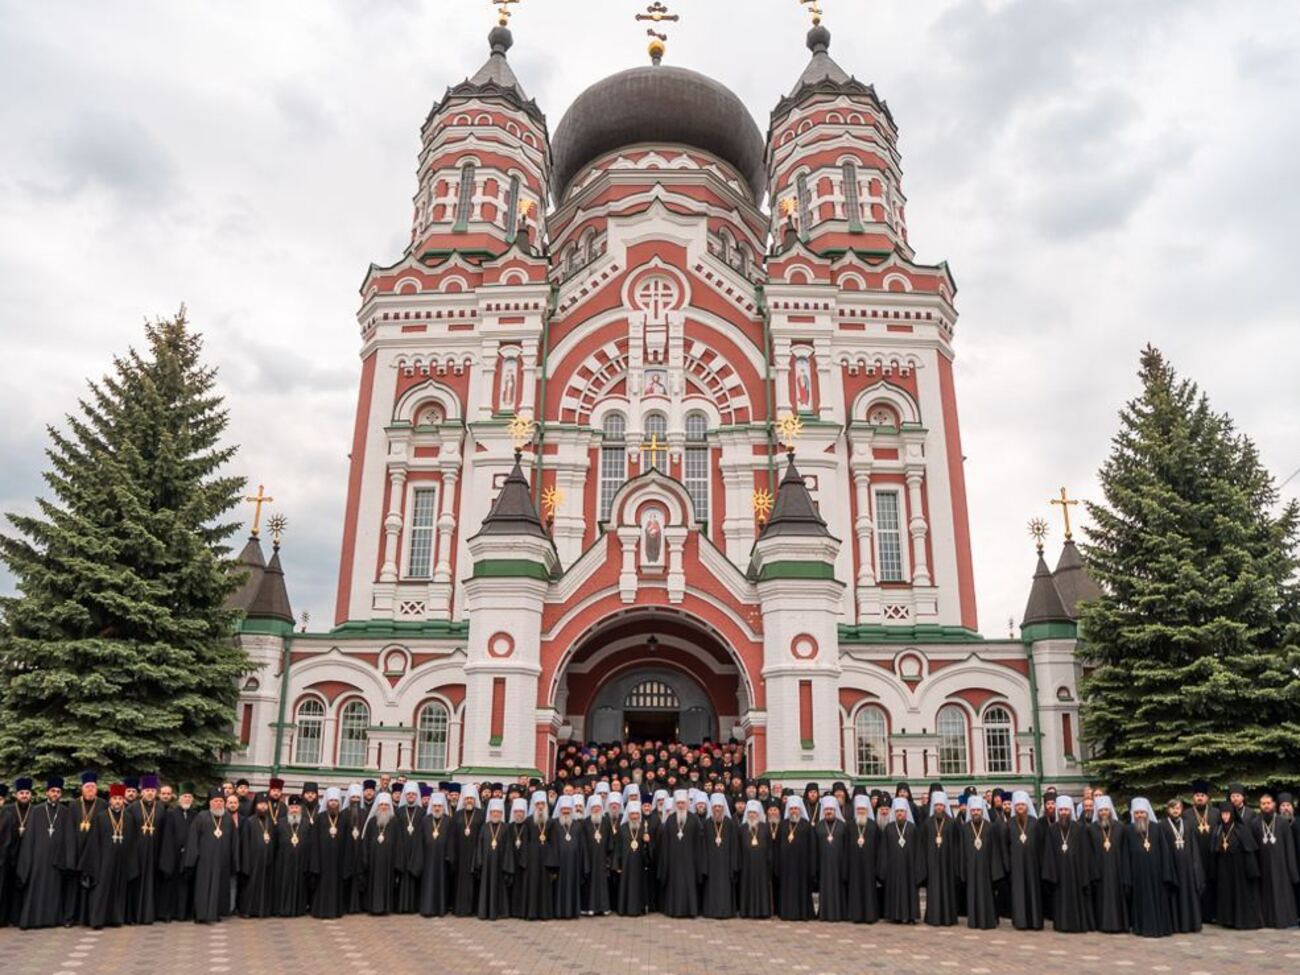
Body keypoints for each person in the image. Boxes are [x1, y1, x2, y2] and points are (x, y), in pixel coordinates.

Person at [77, 783, 138, 930]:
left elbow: (132, 842)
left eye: (120, 798)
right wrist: (94, 864)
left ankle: (116, 918)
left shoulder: (129, 818)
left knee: (118, 889)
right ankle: (97, 920)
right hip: (104, 861)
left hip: (122, 860)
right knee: (101, 890)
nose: (117, 801)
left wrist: (132, 862)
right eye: (115, 798)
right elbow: (93, 842)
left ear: (123, 800)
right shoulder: (101, 817)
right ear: (110, 800)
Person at [17, 776, 73, 930]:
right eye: (52, 791)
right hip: (38, 859)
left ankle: (52, 920)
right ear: (47, 793)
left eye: (58, 791)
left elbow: (69, 837)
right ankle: (33, 920)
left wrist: (67, 859)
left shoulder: (65, 812)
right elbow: (29, 837)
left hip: (56, 859)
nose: (55, 794)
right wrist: (28, 860)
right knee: (36, 889)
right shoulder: (37, 810)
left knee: (54, 890)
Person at [185, 789, 238, 924]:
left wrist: (234, 861)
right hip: (204, 862)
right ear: (210, 803)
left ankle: (215, 914)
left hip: (222, 861)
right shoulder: (202, 817)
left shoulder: (227, 818)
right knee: (203, 887)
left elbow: (234, 841)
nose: (219, 804)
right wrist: (192, 861)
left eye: (221, 801)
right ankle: (201, 915)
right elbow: (193, 839)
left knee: (219, 888)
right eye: (216, 801)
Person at [1040, 794, 1092, 932]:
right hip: (1059, 872)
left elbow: (1084, 853)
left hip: (1076, 872)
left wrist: (1084, 873)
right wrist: (1051, 873)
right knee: (1060, 898)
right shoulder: (1052, 829)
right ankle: (1061, 924)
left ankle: (1077, 924)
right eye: (1061, 810)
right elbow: (1049, 852)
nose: (1063, 813)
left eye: (1066, 810)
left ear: (1071, 811)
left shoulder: (1079, 828)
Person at [1124, 797, 1174, 937]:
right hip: (1137, 874)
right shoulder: (1128, 830)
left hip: (1156, 874)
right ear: (1133, 814)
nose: (1140, 815)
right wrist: (1127, 878)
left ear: (1147, 813)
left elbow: (1165, 851)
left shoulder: (1156, 827)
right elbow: (1125, 855)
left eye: (1142, 812)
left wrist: (1166, 874)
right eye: (1137, 813)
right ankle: (1142, 928)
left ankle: (1160, 928)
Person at [1249, 790, 1298, 928]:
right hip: (1263, 866)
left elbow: (1289, 847)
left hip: (1281, 866)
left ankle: (1283, 920)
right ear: (1260, 806)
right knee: (1266, 894)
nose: (1266, 806)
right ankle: (1268, 921)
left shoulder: (1282, 822)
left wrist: (1292, 871)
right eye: (1263, 804)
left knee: (1282, 892)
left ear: (1274, 804)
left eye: (1268, 803)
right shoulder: (1255, 823)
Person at [1210, 799, 1261, 929]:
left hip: (1239, 868)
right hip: (1224, 868)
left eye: (1227, 814)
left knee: (1239, 894)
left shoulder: (1241, 829)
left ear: (1232, 814)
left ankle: (1241, 920)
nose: (1225, 816)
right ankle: (1228, 920)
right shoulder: (1218, 830)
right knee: (1226, 894)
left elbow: (1249, 850)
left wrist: (1251, 870)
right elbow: (1215, 851)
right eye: (1223, 814)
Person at [957, 795, 1003, 929]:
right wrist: (963, 869)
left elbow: (995, 850)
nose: (976, 812)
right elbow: (962, 851)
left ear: (982, 811)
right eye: (973, 810)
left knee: (987, 894)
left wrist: (994, 870)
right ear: (970, 811)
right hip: (971, 868)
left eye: (978, 810)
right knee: (972, 894)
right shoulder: (965, 828)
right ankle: (974, 921)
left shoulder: (990, 827)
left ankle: (988, 920)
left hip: (986, 869)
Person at [125, 773, 164, 925]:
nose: (149, 793)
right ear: (141, 792)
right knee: (135, 883)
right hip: (136, 853)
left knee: (151, 884)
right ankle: (133, 916)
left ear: (156, 792)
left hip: (154, 853)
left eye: (152, 790)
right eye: (147, 790)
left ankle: (149, 915)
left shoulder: (160, 809)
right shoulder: (132, 808)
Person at [656, 790, 702, 918]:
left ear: (687, 804)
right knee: (674, 885)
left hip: (690, 861)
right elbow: (665, 844)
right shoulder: (670, 819)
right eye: (678, 803)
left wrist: (698, 862)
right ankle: (674, 910)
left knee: (689, 885)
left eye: (683, 803)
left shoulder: (694, 820)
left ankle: (690, 910)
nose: (681, 805)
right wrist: (665, 862)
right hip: (673, 861)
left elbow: (698, 843)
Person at [308, 787, 350, 920]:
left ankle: (335, 911)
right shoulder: (320, 818)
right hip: (322, 860)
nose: (333, 803)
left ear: (339, 803)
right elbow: (314, 842)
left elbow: (348, 841)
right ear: (327, 802)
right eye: (331, 800)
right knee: (322, 886)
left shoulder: (344, 818)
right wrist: (315, 862)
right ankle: (320, 910)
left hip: (338, 860)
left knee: (336, 886)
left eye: (335, 801)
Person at [1089, 795, 1129, 934]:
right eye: (1100, 810)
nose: (1103, 813)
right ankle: (1102, 924)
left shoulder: (1120, 827)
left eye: (1106, 810)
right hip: (1100, 871)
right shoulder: (1091, 829)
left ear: (1110, 810)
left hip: (1117, 870)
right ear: (1097, 812)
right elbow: (1090, 852)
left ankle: (1119, 924)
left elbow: (1125, 850)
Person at [1004, 789, 1043, 931]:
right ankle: (1020, 922)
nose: (1020, 808)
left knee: (1033, 892)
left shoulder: (1035, 823)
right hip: (1016, 865)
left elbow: (1040, 845)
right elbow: (1006, 844)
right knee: (1018, 892)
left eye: (1023, 805)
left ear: (1027, 806)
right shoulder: (1010, 823)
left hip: (1033, 865)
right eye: (1018, 805)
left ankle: (1035, 921)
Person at [879, 796, 922, 923]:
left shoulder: (913, 828)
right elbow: (884, 850)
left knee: (910, 891)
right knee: (894, 890)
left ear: (906, 813)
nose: (899, 814)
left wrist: (918, 869)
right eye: (897, 811)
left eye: (902, 811)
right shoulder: (889, 828)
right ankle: (895, 916)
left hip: (910, 868)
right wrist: (884, 869)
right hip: (893, 868)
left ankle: (911, 916)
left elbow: (918, 850)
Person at [1163, 797, 1202, 933]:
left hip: (1187, 867)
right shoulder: (1163, 825)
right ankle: (1176, 925)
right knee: (1175, 895)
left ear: (1181, 810)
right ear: (1168, 810)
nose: (1175, 810)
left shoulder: (1188, 824)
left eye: (1178, 808)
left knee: (1188, 893)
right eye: (1173, 808)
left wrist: (1195, 865)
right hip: (1172, 865)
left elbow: (1193, 846)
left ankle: (1189, 924)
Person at [919, 790, 959, 926]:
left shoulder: (952, 823)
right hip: (932, 863)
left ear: (945, 806)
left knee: (948, 890)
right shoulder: (927, 823)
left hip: (947, 863)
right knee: (934, 889)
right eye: (936, 806)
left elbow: (955, 845)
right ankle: (933, 917)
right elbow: (923, 845)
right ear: (933, 807)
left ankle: (949, 917)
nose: (939, 808)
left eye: (941, 805)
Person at [775, 794, 816, 921]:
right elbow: (777, 847)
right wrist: (777, 866)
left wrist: (812, 868)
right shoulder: (782, 825)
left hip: (802, 868)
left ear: (800, 810)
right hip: (786, 868)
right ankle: (786, 913)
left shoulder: (807, 825)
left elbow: (812, 849)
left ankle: (802, 913)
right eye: (791, 808)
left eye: (796, 809)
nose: (793, 811)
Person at [358, 792, 398, 916]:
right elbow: (365, 842)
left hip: (389, 862)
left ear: (390, 806)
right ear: (377, 806)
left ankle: (385, 908)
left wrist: (397, 862)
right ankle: (373, 907)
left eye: (386, 804)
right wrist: (365, 859)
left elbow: (399, 844)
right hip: (373, 862)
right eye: (381, 804)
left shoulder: (395, 822)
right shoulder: (371, 822)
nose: (384, 807)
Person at [473, 798, 513, 920]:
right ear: (490, 813)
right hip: (486, 866)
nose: (495, 814)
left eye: (498, 812)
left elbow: (508, 848)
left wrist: (506, 865)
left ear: (501, 814)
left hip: (500, 866)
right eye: (493, 812)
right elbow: (479, 845)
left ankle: (499, 912)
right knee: (486, 887)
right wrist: (479, 862)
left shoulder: (505, 828)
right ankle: (485, 912)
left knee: (499, 888)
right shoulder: (484, 827)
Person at [271, 794, 309, 918]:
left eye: (296, 807)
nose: (294, 809)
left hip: (301, 861)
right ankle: (282, 909)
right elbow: (275, 843)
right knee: (283, 885)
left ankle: (298, 909)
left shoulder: (307, 823)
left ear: (300, 809)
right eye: (292, 807)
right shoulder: (280, 823)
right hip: (283, 862)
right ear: (288, 808)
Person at [237, 793, 275, 918]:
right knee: (250, 887)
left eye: (265, 804)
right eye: (260, 804)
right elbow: (245, 844)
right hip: (252, 862)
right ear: (255, 805)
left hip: (267, 861)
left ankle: (262, 910)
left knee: (265, 886)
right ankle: (248, 910)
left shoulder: (271, 822)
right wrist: (246, 863)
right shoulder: (249, 821)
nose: (263, 807)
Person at [701, 793, 738, 919]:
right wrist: (704, 866)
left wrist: (733, 865)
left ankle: (725, 911)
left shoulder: (730, 823)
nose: (717, 809)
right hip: (711, 866)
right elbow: (703, 847)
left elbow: (734, 846)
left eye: (720, 807)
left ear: (724, 808)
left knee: (725, 889)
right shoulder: (706, 824)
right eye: (715, 806)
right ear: (711, 808)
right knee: (711, 889)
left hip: (726, 865)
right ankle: (711, 911)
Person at [844, 794, 880, 924]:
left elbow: (877, 847)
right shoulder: (849, 826)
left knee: (869, 890)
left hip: (869, 865)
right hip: (854, 865)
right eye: (858, 809)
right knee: (855, 889)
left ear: (867, 810)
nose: (860, 811)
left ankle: (870, 915)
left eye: (863, 809)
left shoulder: (873, 826)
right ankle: (856, 916)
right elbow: (845, 848)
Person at [516, 790, 551, 920]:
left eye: (542, 804)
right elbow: (524, 841)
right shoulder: (529, 821)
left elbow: (552, 843)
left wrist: (551, 861)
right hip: (531, 860)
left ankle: (544, 913)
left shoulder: (550, 821)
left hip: (546, 860)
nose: (540, 806)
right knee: (532, 886)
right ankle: (531, 913)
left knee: (544, 887)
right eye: (538, 804)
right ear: (534, 806)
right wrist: (524, 860)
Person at [613, 799, 653, 916]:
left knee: (639, 886)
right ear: (628, 815)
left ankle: (639, 908)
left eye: (636, 814)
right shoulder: (622, 828)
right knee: (626, 886)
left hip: (639, 865)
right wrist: (617, 865)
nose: (635, 816)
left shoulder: (643, 828)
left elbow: (647, 850)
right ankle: (624, 908)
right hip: (625, 864)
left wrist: (647, 842)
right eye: (632, 814)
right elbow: (618, 848)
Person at [418, 791, 454, 918]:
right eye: (435, 806)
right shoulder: (425, 820)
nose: (437, 808)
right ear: (431, 806)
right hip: (427, 859)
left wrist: (449, 856)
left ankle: (440, 909)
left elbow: (451, 840)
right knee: (428, 883)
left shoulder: (449, 820)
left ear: (443, 806)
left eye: (439, 806)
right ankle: (427, 908)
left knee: (441, 882)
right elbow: (420, 840)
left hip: (442, 859)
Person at [814, 794, 848, 922]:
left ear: (835, 811)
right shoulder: (818, 826)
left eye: (831, 809)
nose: (829, 812)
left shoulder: (843, 826)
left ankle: (840, 913)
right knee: (825, 888)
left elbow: (846, 847)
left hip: (839, 864)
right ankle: (825, 913)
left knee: (839, 889)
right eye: (827, 809)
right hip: (823, 864)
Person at [451, 786, 482, 917]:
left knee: (474, 882)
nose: (469, 801)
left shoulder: (481, 814)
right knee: (459, 882)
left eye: (471, 798)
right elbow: (452, 836)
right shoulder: (457, 815)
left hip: (475, 853)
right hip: (460, 854)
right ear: (463, 800)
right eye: (467, 798)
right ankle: (459, 908)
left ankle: (472, 909)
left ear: (475, 800)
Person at [393, 782, 424, 915]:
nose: (411, 796)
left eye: (413, 794)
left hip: (417, 849)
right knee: (402, 878)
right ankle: (400, 906)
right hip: (402, 848)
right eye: (409, 794)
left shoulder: (422, 812)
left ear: (417, 796)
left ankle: (413, 906)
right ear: (405, 796)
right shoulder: (399, 811)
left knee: (414, 878)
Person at [582, 794, 613, 916]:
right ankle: (590, 907)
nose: (596, 809)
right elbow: (583, 842)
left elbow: (610, 841)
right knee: (589, 883)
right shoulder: (585, 822)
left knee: (602, 883)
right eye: (594, 807)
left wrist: (608, 859)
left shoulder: (605, 822)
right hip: (589, 858)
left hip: (602, 859)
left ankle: (603, 907)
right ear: (590, 808)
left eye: (598, 807)